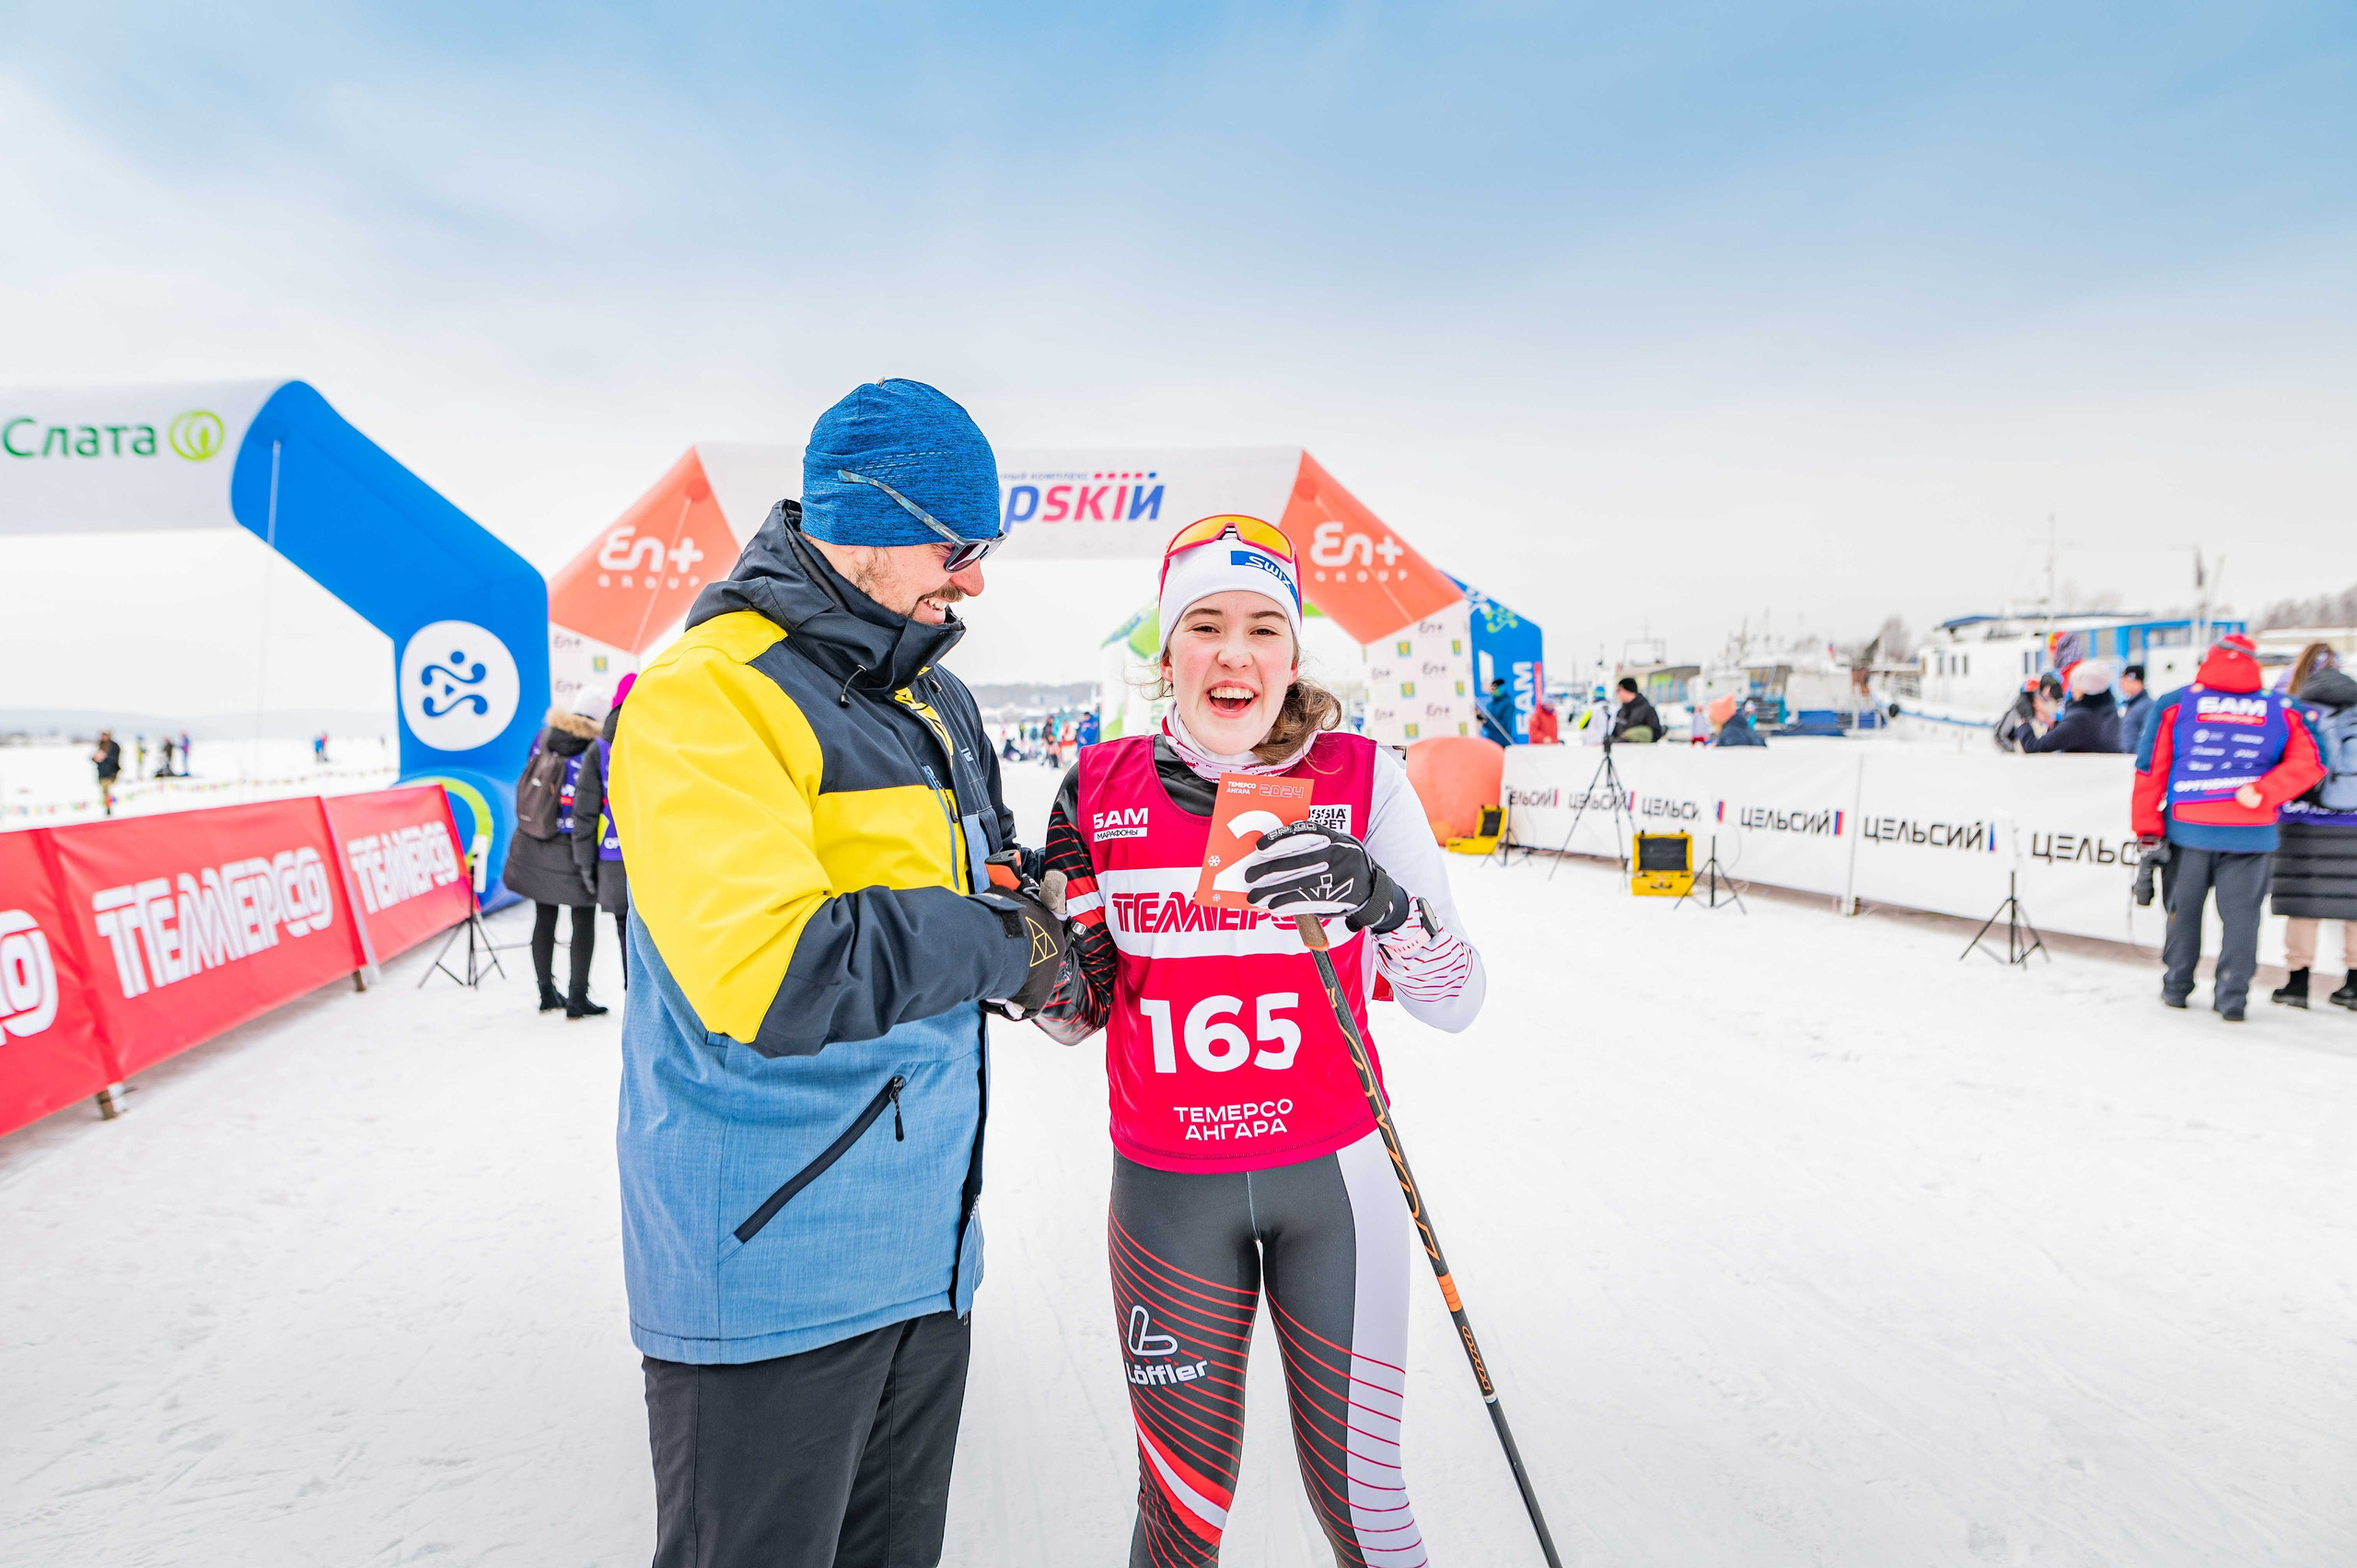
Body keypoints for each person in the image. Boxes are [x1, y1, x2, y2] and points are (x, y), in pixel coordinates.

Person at [608, 379, 1074, 1568]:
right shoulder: (709, 693)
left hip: (926, 1258)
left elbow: (971, 886)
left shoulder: (936, 695)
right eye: (957, 547)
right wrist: (999, 942)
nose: (974, 582)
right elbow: (774, 970)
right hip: (768, 1267)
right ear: (867, 518)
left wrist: (1038, 906)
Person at [1030, 515, 1485, 1567]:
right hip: (1169, 1196)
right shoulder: (1096, 786)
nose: (1233, 653)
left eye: (1262, 628)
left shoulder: (1361, 776)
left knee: (1363, 1498)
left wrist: (1383, 902)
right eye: (1204, 625)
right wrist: (1023, 955)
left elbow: (1455, 998)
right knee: (1180, 1514)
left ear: (1291, 653)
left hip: (1335, 1183)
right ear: (1166, 650)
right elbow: (1074, 1013)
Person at [2133, 632, 2326, 1020]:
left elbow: (2150, 769)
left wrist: (2147, 829)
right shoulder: (2282, 707)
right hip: (2252, 834)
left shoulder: (2175, 703)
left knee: (2183, 913)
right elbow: (2313, 761)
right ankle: (2232, 999)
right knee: (2242, 920)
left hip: (2188, 829)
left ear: (2210, 659)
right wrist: (2266, 791)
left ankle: (2176, 988)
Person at [502, 707, 610, 1018]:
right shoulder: (595, 747)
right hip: (576, 843)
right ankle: (577, 997)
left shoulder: (544, 736)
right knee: (583, 919)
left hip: (538, 836)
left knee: (544, 915)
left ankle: (546, 992)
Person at [2270, 645, 2357, 1010]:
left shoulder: (2294, 708)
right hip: (2354, 821)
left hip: (2301, 819)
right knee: (2354, 903)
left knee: (2302, 903)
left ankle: (2297, 984)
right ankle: (2354, 986)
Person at [568, 672, 636, 982]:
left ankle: (632, 1000)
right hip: (655, 858)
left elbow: (584, 814)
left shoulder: (599, 749)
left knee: (625, 933)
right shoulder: (660, 736)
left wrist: (586, 868)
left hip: (613, 859)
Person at [2020, 660, 2121, 753]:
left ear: (2084, 689)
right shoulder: (2108, 711)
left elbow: (2033, 746)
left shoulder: (2079, 720)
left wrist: (2024, 720)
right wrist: (2051, 722)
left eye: (2075, 684)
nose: (2072, 689)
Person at [1610, 676, 1664, 743]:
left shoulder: (1647, 710)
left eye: (1619, 690)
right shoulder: (1621, 712)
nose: (1617, 694)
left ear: (1627, 690)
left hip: (1641, 749)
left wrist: (1635, 736)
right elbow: (1615, 734)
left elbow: (1655, 733)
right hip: (1621, 748)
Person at [2116, 664, 2154, 755]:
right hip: (2127, 756)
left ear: (2135, 681)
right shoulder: (2131, 705)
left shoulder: (2146, 706)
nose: (2121, 684)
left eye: (2124, 679)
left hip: (2136, 756)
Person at [91, 729, 121, 816]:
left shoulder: (114, 746)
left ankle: (109, 808)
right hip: (102, 772)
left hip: (111, 773)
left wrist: (104, 757)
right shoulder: (101, 745)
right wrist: (96, 758)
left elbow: (114, 759)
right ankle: (107, 807)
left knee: (108, 790)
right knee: (104, 792)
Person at [1480, 675, 1517, 744]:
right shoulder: (1490, 705)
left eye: (1496, 687)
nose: (1493, 690)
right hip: (1491, 742)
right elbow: (1487, 724)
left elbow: (1504, 725)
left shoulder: (1508, 704)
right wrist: (1481, 718)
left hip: (1503, 742)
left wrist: (1487, 721)